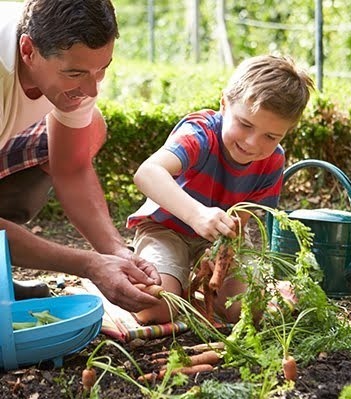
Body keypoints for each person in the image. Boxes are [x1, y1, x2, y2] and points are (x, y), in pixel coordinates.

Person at [126, 54, 314, 324]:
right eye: (245, 124)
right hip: (166, 228)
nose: (252, 143)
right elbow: (147, 173)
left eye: (271, 136)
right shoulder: (200, 134)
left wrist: (221, 253)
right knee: (154, 309)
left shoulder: (273, 161)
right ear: (224, 104)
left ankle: (196, 291)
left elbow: (241, 222)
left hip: (220, 239)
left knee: (245, 311)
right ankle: (153, 277)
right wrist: (196, 215)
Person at [0, 0, 161, 311]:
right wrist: (89, 265)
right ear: (28, 50)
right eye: (75, 73)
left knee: (90, 128)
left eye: (102, 69)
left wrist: (115, 252)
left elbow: (72, 168)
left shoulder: (77, 70)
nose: (91, 88)